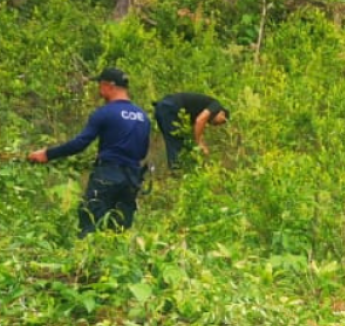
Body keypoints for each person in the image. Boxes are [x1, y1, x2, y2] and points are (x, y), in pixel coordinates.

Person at [27, 67, 151, 236]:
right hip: (132, 179)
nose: (98, 89)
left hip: (107, 175)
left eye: (100, 84)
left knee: (91, 225)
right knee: (120, 229)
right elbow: (142, 151)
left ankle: (87, 261)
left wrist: (47, 154)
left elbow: (80, 144)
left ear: (108, 86)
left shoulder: (105, 113)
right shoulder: (143, 117)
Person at [153, 92, 230, 169]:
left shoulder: (198, 109)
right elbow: (200, 120)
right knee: (176, 147)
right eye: (222, 122)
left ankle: (175, 172)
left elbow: (196, 129)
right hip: (171, 108)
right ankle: (177, 175)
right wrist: (199, 142)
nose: (216, 125)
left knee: (173, 143)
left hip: (162, 107)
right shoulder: (216, 105)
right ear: (222, 114)